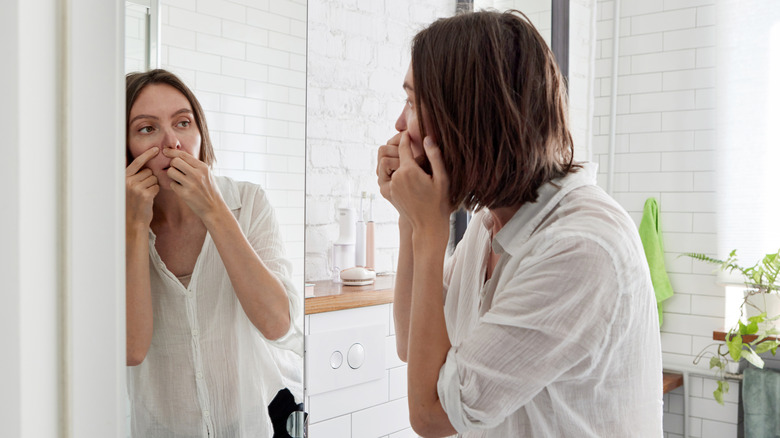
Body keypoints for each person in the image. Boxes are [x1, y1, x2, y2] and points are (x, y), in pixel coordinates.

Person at [376, 10, 663, 438]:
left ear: (470, 117)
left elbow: (433, 415)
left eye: (415, 104)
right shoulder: (489, 225)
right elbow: (410, 344)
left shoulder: (582, 248)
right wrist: (411, 220)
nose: (400, 124)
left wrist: (430, 227)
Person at [125, 69, 303, 437]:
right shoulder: (111, 227)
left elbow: (278, 325)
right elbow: (132, 349)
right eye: (147, 129)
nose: (171, 142)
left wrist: (214, 211)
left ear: (200, 134)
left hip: (250, 422)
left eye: (183, 123)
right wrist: (134, 227)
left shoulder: (248, 203)